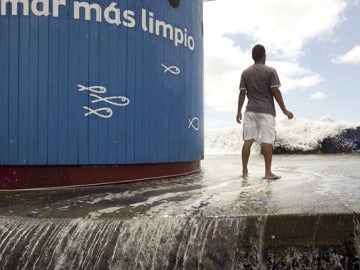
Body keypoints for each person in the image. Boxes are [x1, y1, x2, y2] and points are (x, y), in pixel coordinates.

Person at [236, 44, 293, 180]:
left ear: (253, 56)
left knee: (248, 140)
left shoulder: (245, 72)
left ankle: (244, 171)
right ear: (264, 56)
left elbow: (242, 93)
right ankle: (268, 172)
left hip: (250, 111)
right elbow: (275, 91)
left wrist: (238, 111)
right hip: (266, 111)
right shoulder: (270, 71)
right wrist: (285, 110)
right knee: (268, 141)